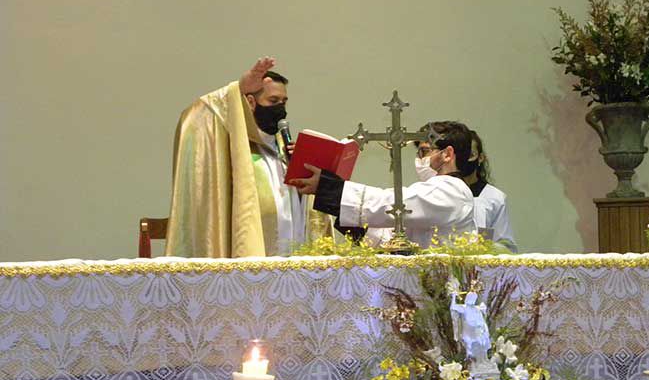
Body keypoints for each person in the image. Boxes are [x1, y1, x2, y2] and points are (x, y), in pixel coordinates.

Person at [165, 56, 331, 257]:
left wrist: (305, 173)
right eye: (273, 101)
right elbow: (195, 120)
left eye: (283, 102)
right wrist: (238, 89)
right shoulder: (234, 149)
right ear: (251, 102)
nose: (280, 108)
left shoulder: (284, 150)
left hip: (292, 258)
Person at [290, 121, 477, 248]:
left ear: (447, 154)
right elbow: (387, 239)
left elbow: (390, 204)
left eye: (424, 151)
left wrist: (330, 188)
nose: (419, 159)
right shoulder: (435, 190)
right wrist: (336, 203)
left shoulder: (452, 191)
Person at [416, 126, 517, 252]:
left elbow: (505, 245)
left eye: (470, 155)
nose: (465, 159)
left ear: (480, 158)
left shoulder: (494, 198)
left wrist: (483, 249)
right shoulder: (438, 191)